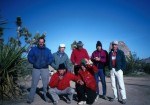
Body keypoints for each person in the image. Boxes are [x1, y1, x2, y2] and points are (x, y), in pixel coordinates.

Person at [27, 37, 53, 103]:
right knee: (34, 84)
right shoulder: (33, 49)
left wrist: (47, 63)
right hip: (36, 69)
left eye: (42, 42)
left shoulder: (48, 50)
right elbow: (29, 56)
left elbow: (51, 58)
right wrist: (34, 62)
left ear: (44, 42)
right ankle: (30, 99)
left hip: (45, 69)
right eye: (40, 41)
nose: (41, 43)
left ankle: (46, 98)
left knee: (45, 85)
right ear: (38, 42)